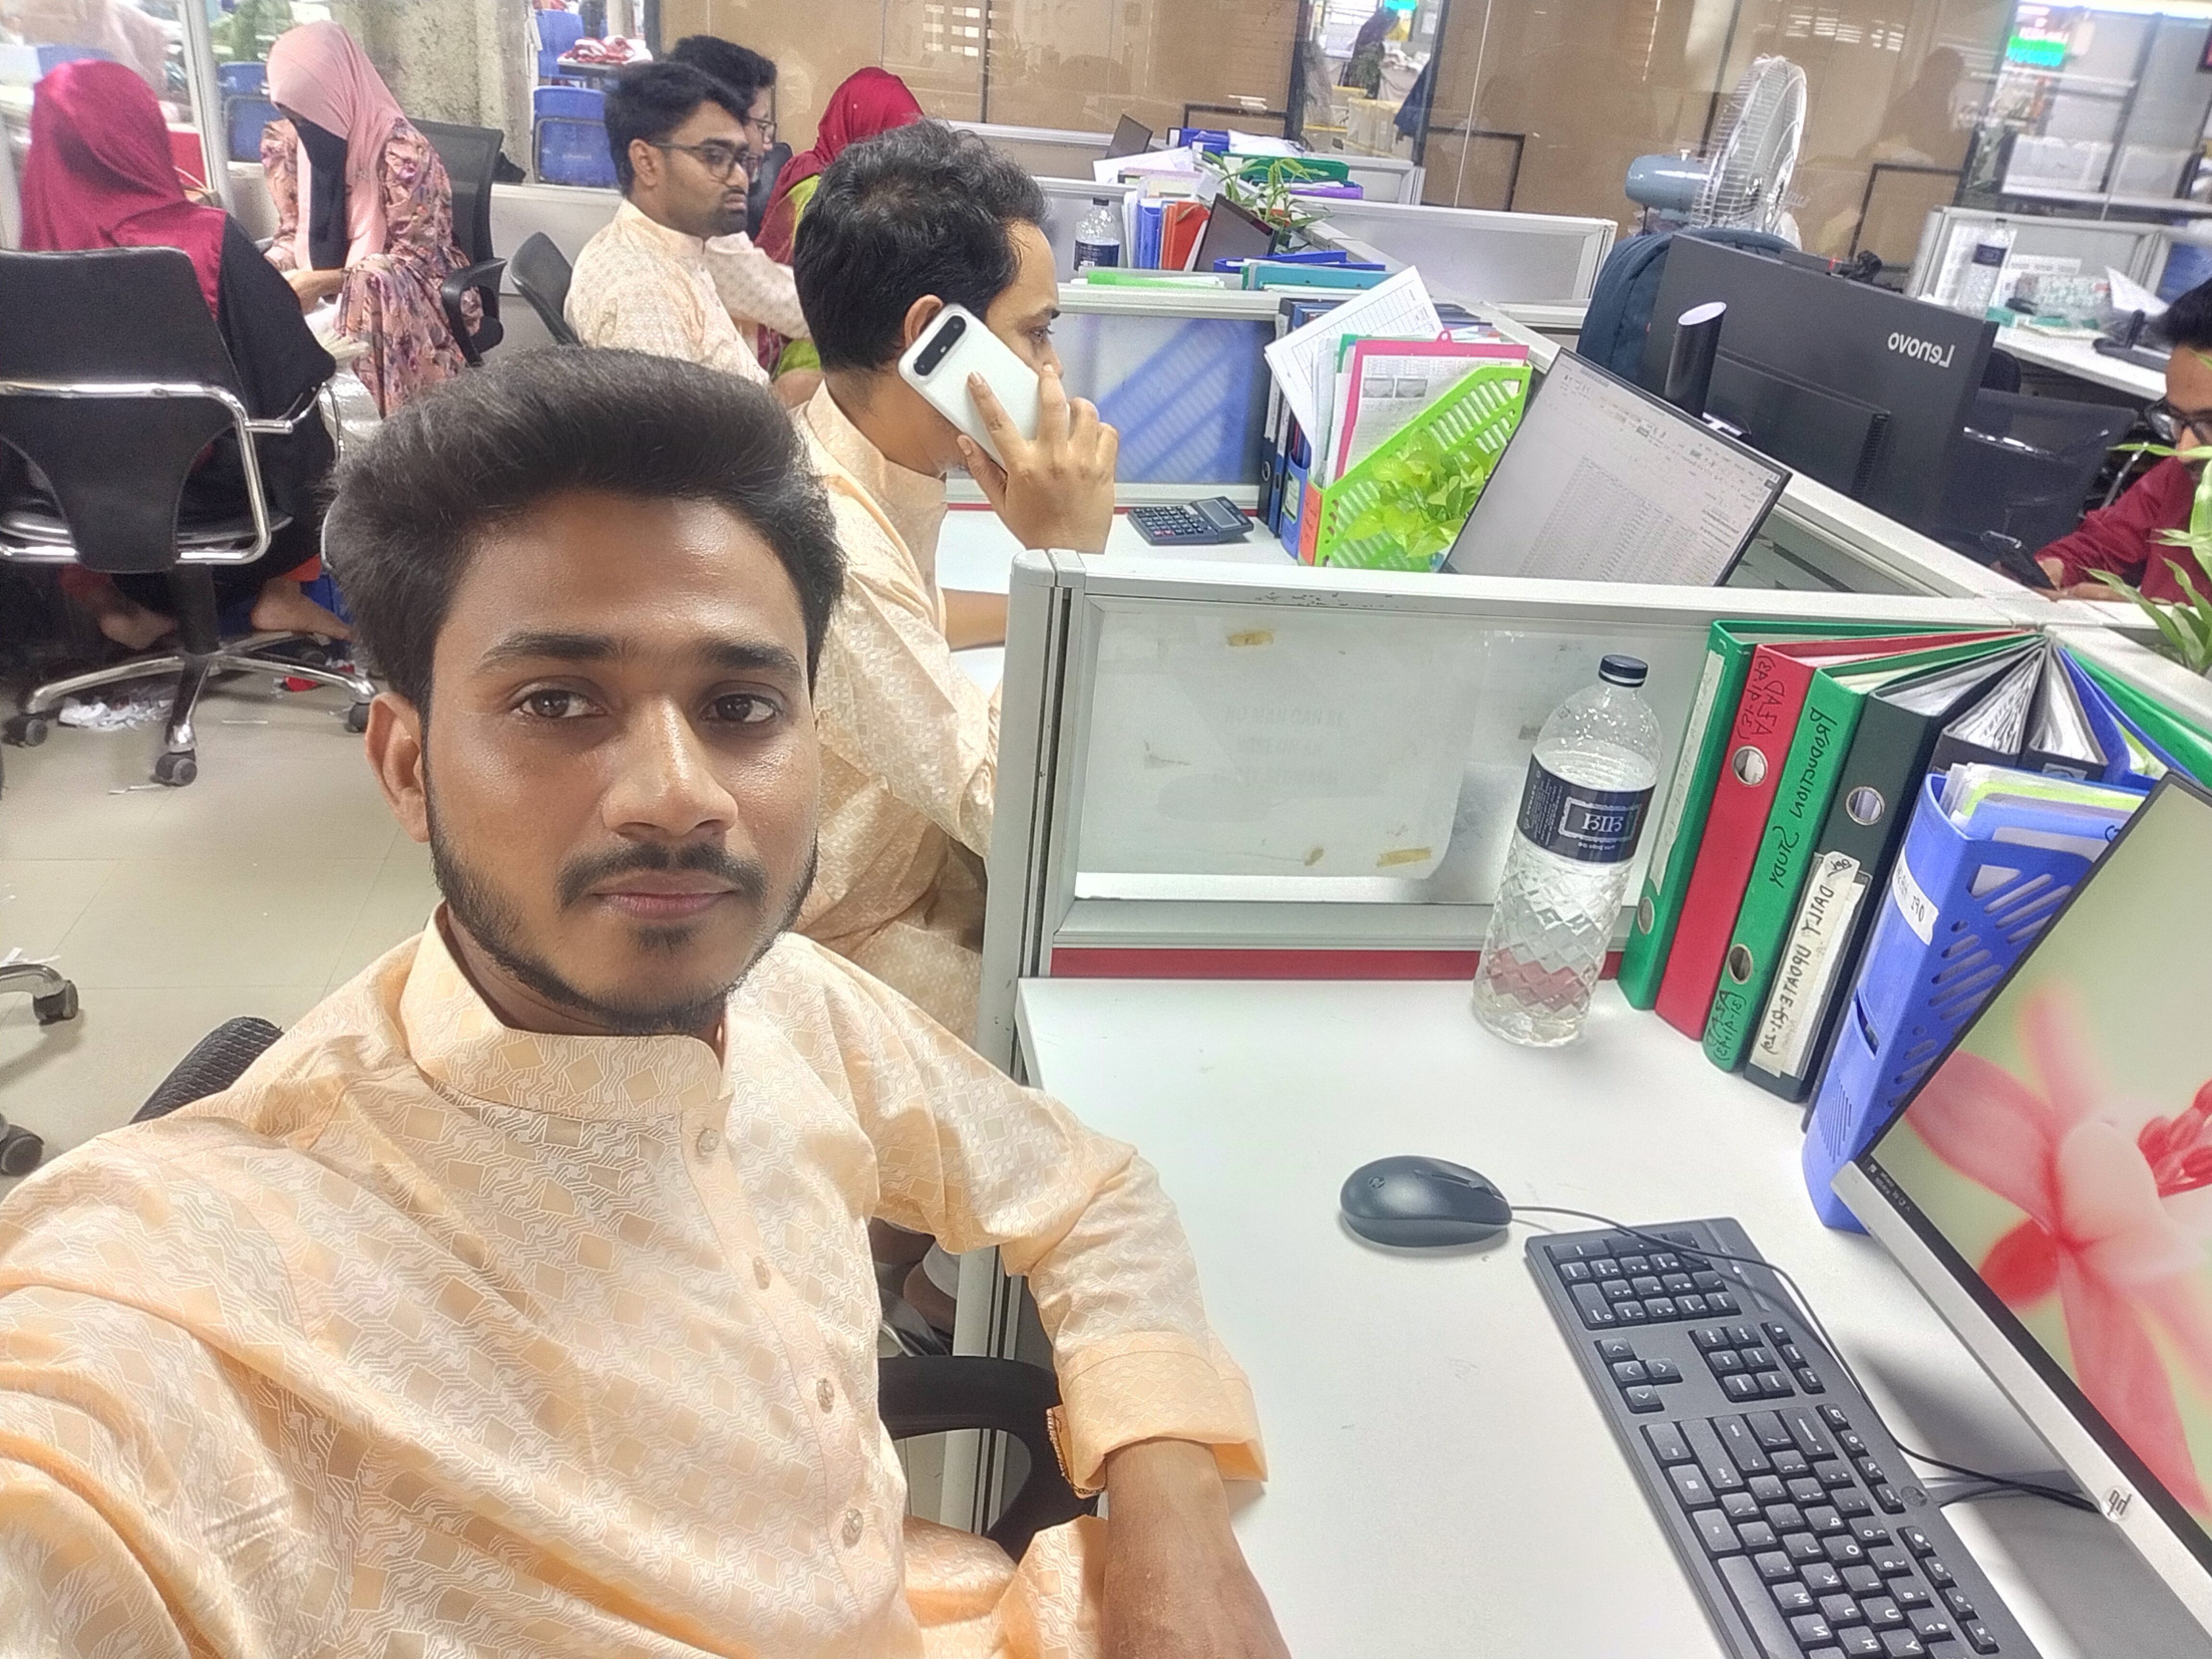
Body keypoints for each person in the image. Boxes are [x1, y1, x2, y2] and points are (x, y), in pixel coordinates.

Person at [0, 348, 1288, 1659]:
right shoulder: (209, 1271)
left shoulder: (789, 996)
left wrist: (1176, 1524)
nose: (679, 795)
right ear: (407, 766)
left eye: (739, 705)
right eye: (558, 701)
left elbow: (1088, 1189)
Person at [788, 120, 1117, 1036]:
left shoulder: (851, 456)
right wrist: (1063, 563)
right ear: (933, 337)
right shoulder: (831, 544)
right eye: (1035, 333)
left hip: (908, 860)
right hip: (852, 940)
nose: (1052, 370)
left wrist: (1038, 599)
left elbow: (915, 622)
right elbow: (1011, 814)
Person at [14, 59, 348, 649]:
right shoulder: (203, 240)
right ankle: (282, 596)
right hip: (212, 493)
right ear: (139, 134)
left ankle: (115, 606)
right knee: (300, 407)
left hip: (65, 504)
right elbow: (288, 363)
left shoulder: (23, 267)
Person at [258, 20, 475, 416]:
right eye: (292, 115)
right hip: (325, 294)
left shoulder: (403, 154)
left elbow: (415, 260)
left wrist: (324, 282)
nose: (303, 129)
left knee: (373, 279)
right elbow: (291, 233)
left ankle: (378, 431)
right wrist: (267, 275)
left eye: (310, 115)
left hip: (411, 293)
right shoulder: (290, 147)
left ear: (336, 96)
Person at [566, 60, 811, 403]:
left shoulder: (679, 246)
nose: (739, 178)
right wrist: (785, 397)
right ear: (646, 162)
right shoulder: (643, 294)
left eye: (743, 160)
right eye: (714, 157)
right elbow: (683, 437)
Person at [2036, 279, 2212, 601]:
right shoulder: (2181, 477)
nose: (2185, 451)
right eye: (2177, 419)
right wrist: (2057, 569)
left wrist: (2150, 618)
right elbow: (2101, 548)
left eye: (2210, 424)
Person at [756, 66, 925, 375]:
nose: (905, 161)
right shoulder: (816, 197)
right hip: (811, 357)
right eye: (894, 143)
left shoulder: (888, 196)